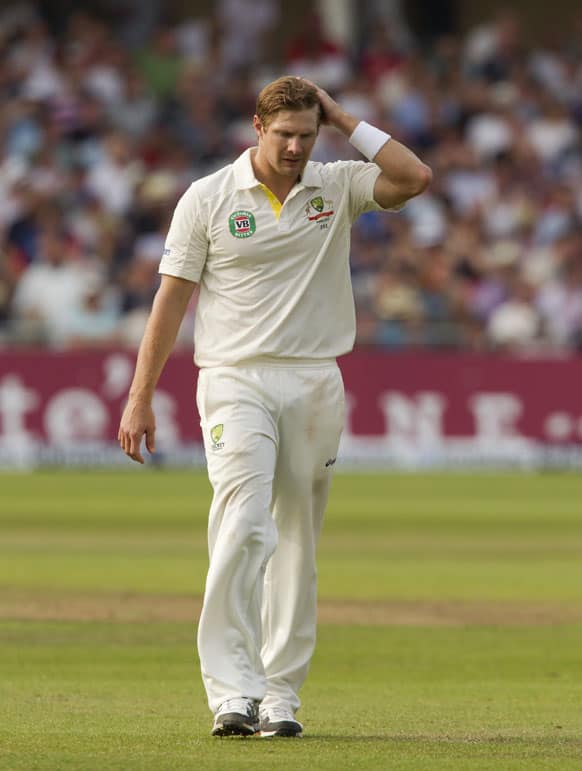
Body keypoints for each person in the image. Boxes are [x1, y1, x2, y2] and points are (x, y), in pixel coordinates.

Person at [118, 75, 431, 737]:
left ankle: (281, 695)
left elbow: (415, 177)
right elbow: (170, 301)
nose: (294, 147)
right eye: (283, 134)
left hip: (315, 379)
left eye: (305, 135)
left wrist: (345, 118)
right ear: (257, 128)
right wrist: (140, 396)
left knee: (296, 542)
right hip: (233, 378)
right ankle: (233, 690)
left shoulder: (337, 183)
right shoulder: (207, 198)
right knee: (244, 523)